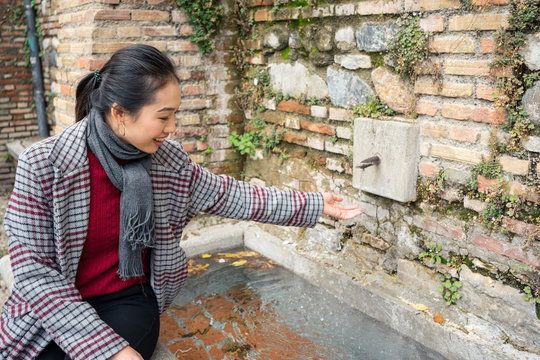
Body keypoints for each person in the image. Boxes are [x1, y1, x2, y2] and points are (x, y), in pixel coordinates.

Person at [0, 44, 362, 360]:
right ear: (120, 113)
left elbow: (231, 195)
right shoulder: (45, 164)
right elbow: (35, 273)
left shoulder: (167, 161)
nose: (173, 127)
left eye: (175, 114)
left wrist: (314, 204)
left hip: (125, 299)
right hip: (55, 300)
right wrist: (104, 347)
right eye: (163, 117)